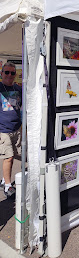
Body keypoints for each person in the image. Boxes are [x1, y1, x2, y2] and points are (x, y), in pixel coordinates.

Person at [0, 62, 22, 198]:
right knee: (8, 158)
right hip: (3, 129)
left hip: (16, 128)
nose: (9, 75)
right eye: (6, 72)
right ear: (1, 73)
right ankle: (8, 186)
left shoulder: (17, 88)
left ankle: (4, 180)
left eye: (12, 73)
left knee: (12, 156)